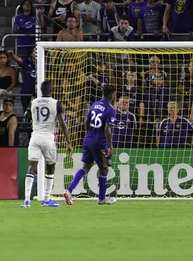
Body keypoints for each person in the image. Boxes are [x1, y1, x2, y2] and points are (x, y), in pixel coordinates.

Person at [22, 80, 73, 208]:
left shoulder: (33, 102)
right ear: (51, 90)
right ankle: (46, 199)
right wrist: (68, 142)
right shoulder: (56, 104)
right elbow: (62, 123)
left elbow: (26, 115)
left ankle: (26, 200)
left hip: (35, 136)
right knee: (50, 167)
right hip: (48, 137)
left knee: (32, 167)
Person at [64, 85, 118, 205]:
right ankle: (102, 198)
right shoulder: (111, 110)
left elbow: (86, 122)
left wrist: (90, 134)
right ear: (112, 95)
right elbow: (107, 130)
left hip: (88, 139)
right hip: (100, 142)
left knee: (86, 167)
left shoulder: (94, 105)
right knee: (104, 169)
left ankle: (69, 190)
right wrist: (110, 146)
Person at [9, 47, 36, 112]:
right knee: (26, 113)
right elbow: (19, 60)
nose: (37, 53)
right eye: (35, 51)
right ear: (31, 54)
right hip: (26, 93)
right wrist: (12, 54)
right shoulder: (27, 63)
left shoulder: (46, 65)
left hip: (39, 94)